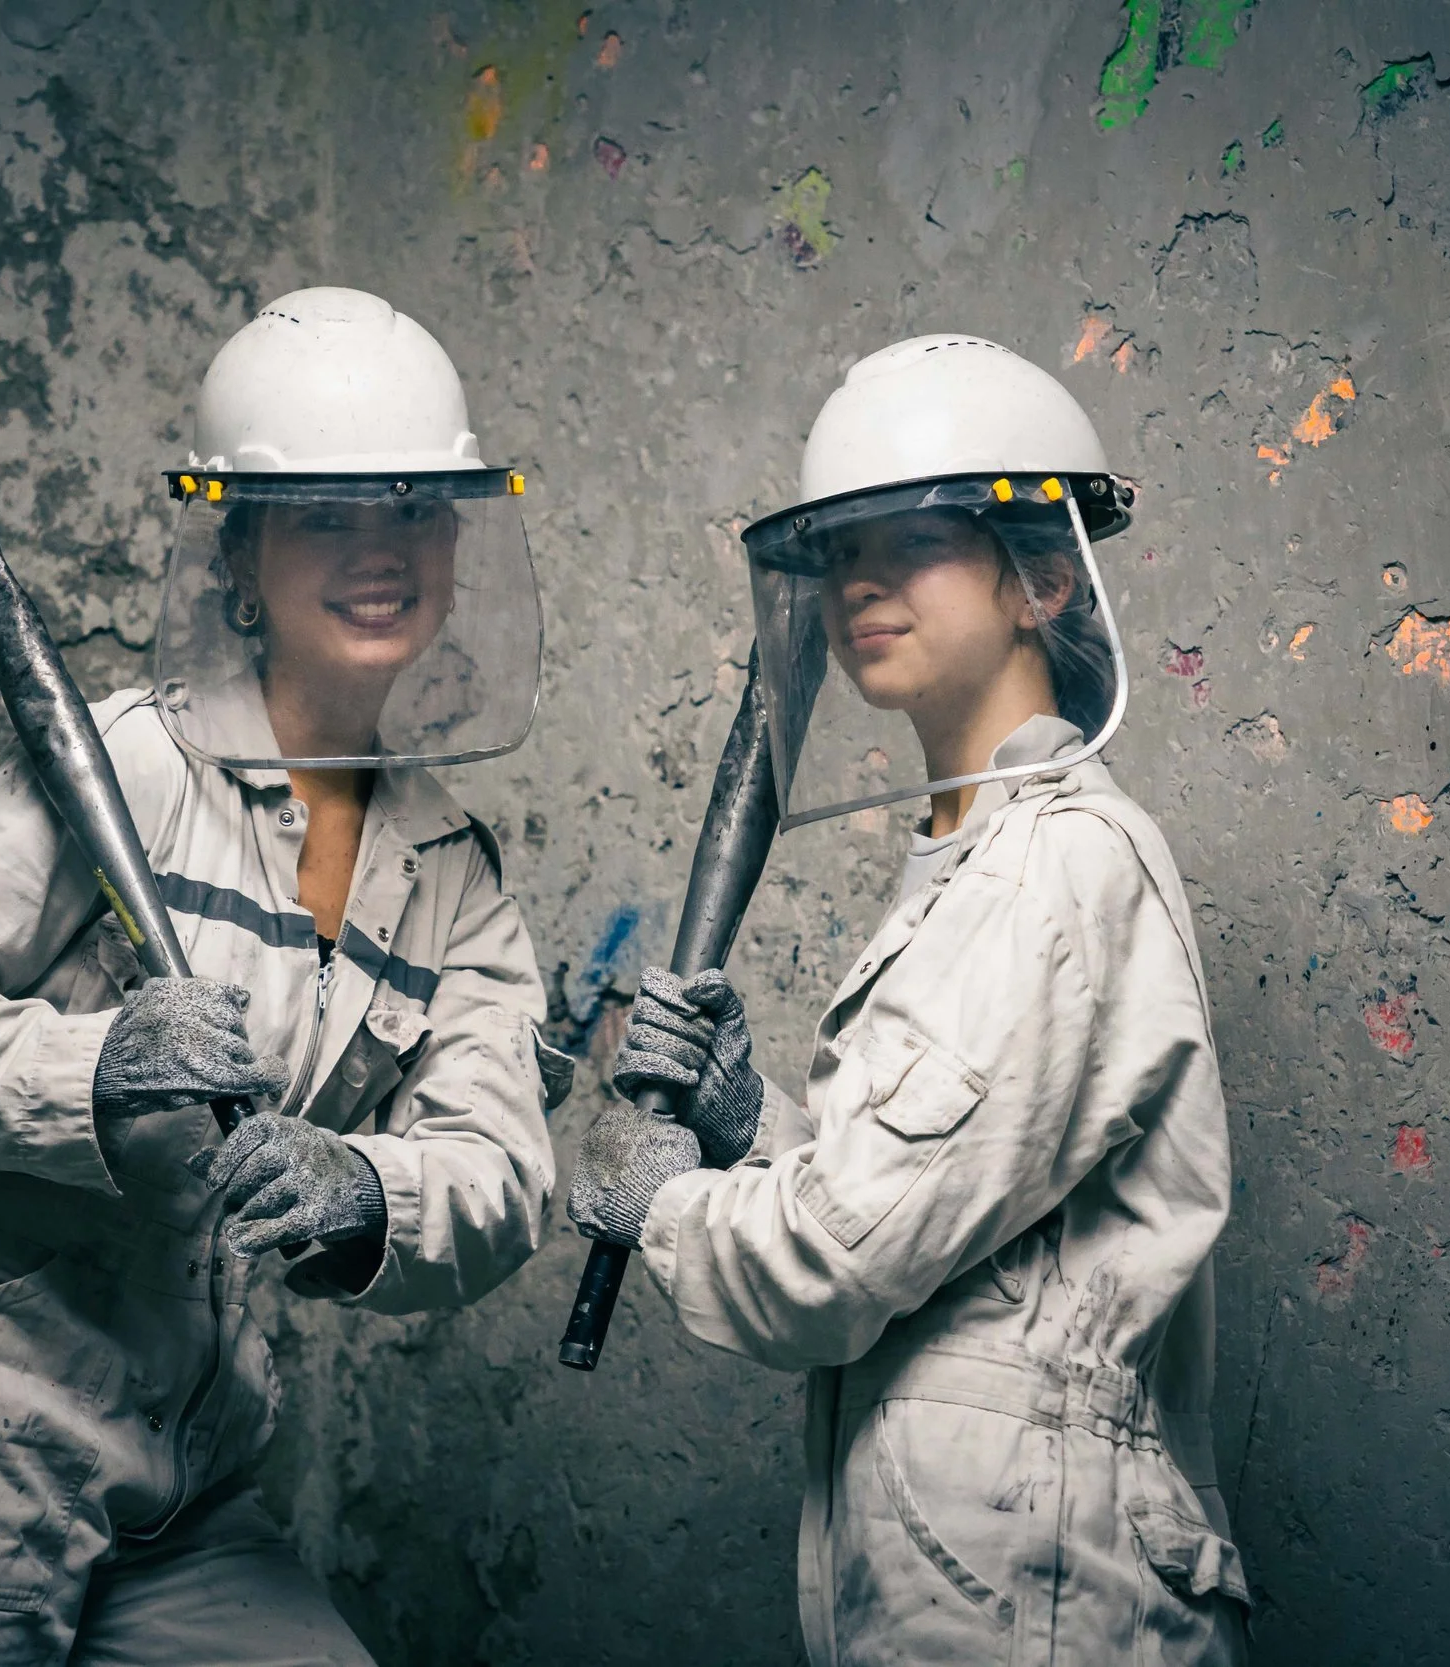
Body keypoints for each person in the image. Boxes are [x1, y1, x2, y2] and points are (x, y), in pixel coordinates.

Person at [0, 288, 569, 1665]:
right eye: (325, 516)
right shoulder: (133, 761)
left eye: (415, 507)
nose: (381, 549)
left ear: (458, 541)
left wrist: (368, 1189)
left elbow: (501, 1168)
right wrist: (97, 1073)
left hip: (184, 1468)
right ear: (239, 553)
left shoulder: (451, 869)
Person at [569, 335, 1247, 1665]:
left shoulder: (1056, 867)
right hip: (973, 1574)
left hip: (1049, 1603)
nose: (859, 582)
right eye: (837, 551)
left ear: (1044, 578)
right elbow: (949, 1227)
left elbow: (840, 1266)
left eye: (916, 539)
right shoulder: (972, 865)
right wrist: (747, 1124)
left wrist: (666, 1203)